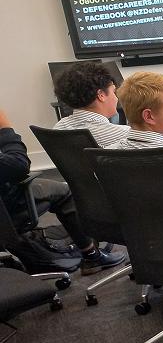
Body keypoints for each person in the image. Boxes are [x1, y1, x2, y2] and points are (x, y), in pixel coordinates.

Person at [0, 109, 124, 274]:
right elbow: (19, 165)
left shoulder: (61, 125)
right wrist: (5, 128)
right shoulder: (122, 133)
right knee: (64, 192)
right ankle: (91, 255)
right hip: (5, 207)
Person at [52, 61, 129, 147]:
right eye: (114, 92)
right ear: (101, 95)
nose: (116, 98)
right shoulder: (125, 134)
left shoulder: (58, 128)